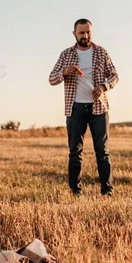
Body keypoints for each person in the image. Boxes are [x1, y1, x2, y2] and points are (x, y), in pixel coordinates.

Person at [48, 18, 119, 196]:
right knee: (75, 152)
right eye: (81, 32)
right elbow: (51, 79)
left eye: (88, 32)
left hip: (99, 109)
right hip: (75, 108)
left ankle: (107, 191)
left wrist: (103, 87)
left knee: (102, 152)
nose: (85, 35)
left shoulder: (101, 52)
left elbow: (115, 76)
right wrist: (64, 72)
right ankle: (75, 191)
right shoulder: (66, 55)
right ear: (74, 34)